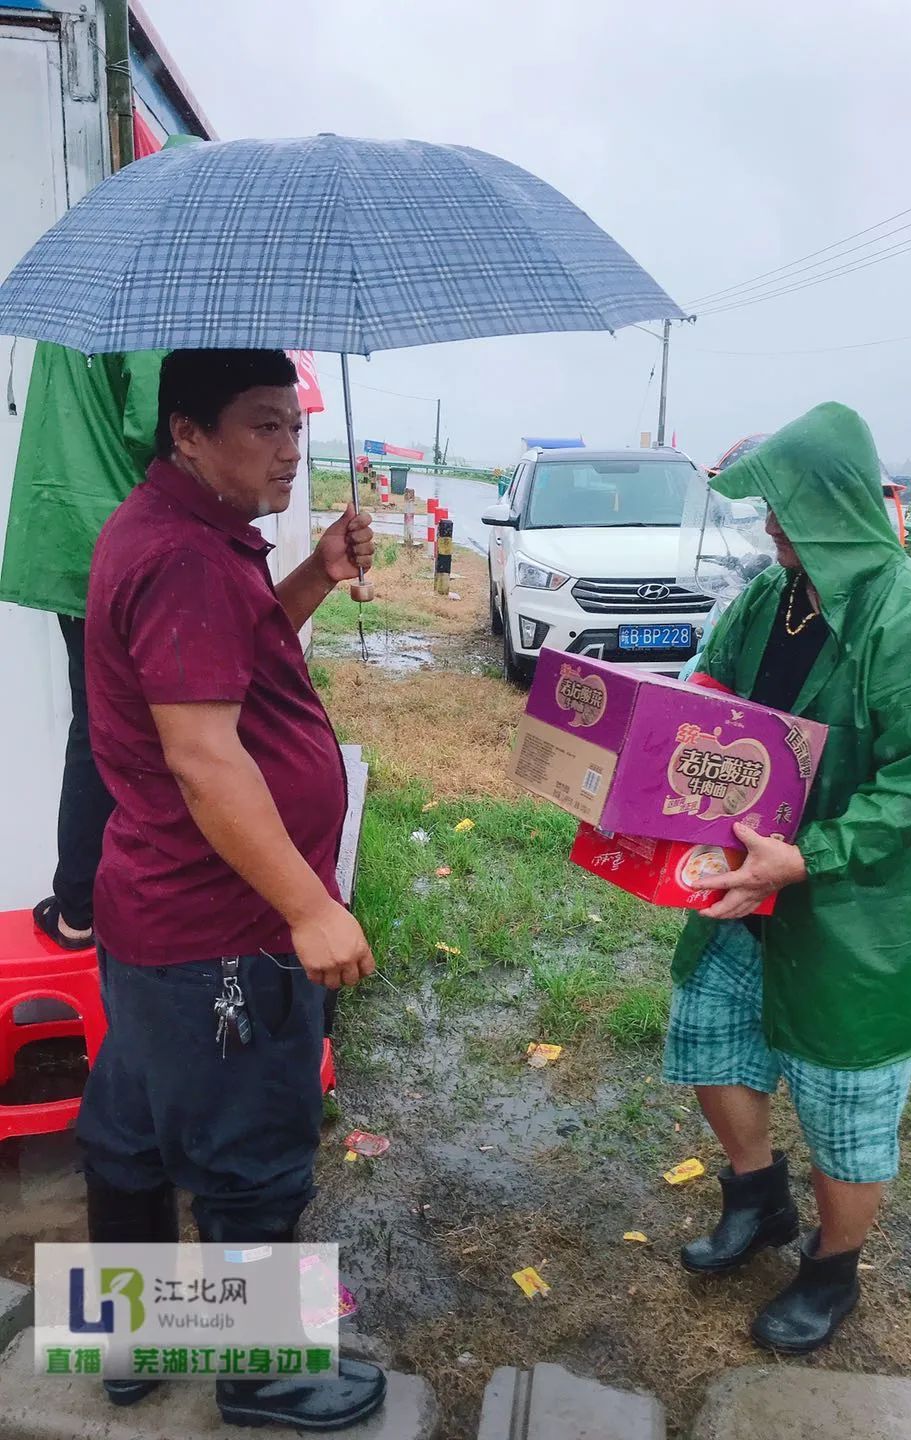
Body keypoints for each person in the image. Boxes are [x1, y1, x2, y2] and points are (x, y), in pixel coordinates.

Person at [76, 349, 386, 1429]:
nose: (291, 449)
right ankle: (264, 1377)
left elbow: (239, 659)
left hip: (155, 910)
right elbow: (207, 759)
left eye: (294, 425)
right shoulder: (187, 558)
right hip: (222, 927)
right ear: (188, 435)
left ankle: (131, 1343)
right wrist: (309, 905)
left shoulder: (185, 532)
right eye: (263, 426)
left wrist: (312, 576)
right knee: (252, 1150)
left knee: (132, 1127)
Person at [666, 402, 911, 1354]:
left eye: (784, 509)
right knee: (710, 1039)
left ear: (837, 507)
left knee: (849, 1105)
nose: (769, 527)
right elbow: (711, 686)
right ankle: (757, 1199)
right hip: (742, 884)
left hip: (853, 912)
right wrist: (650, 741)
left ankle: (832, 1269)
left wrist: (808, 857)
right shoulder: (774, 597)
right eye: (766, 508)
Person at [0, 341, 164, 948]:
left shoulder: (75, 311)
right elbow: (157, 422)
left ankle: (78, 905)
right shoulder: (151, 300)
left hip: (72, 534)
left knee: (96, 725)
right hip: (128, 538)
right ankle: (86, 908)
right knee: (137, 729)